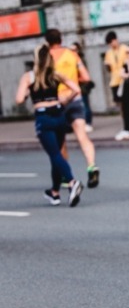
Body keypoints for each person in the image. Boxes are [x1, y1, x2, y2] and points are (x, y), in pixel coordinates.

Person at [15, 44, 84, 207]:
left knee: (54, 154)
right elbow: (76, 89)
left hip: (43, 117)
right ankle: (54, 192)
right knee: (57, 154)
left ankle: (72, 182)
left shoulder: (29, 77)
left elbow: (18, 99)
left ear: (36, 59)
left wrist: (26, 94)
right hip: (59, 115)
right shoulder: (55, 74)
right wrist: (64, 100)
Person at [45, 29, 100, 188]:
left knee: (60, 141)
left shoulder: (47, 56)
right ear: (61, 39)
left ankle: (64, 176)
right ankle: (91, 166)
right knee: (82, 136)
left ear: (47, 41)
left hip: (58, 101)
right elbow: (86, 77)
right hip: (75, 98)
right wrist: (74, 79)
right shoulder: (72, 54)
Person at [104, 31, 129, 138]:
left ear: (116, 40)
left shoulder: (125, 49)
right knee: (120, 104)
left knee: (127, 103)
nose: (111, 44)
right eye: (109, 43)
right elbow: (108, 67)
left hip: (124, 80)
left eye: (112, 42)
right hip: (114, 81)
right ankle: (125, 124)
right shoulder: (109, 53)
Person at [70, 42, 95, 131]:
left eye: (74, 50)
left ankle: (88, 123)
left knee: (85, 105)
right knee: (77, 106)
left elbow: (85, 76)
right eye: (71, 50)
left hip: (82, 87)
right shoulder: (71, 60)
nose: (72, 52)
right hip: (74, 87)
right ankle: (80, 124)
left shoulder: (80, 60)